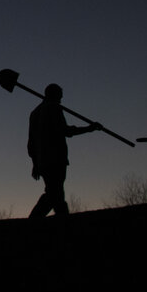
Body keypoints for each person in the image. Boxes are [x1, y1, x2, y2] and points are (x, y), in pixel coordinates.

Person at [27, 83, 101, 218]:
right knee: (54, 194)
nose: (61, 100)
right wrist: (89, 129)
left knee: (56, 194)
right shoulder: (53, 108)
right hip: (55, 159)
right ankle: (35, 220)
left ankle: (61, 217)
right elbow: (65, 131)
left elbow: (31, 143)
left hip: (43, 161)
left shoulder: (35, 113)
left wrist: (35, 163)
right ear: (54, 95)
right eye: (60, 97)